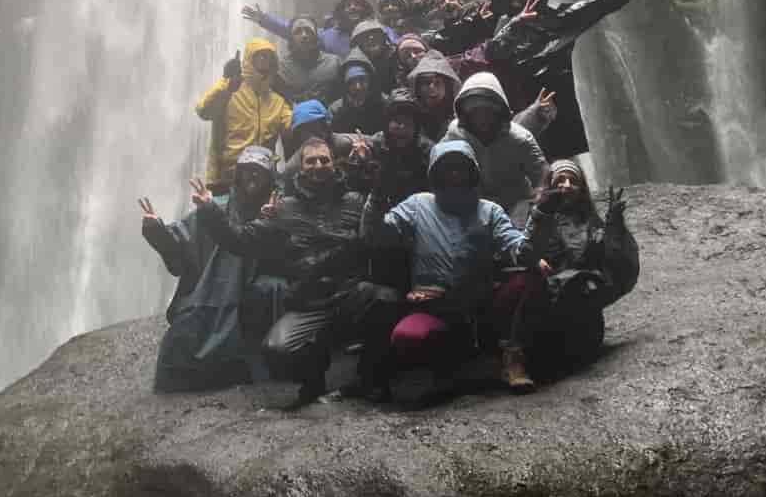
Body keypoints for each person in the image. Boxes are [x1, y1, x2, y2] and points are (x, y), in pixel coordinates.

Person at [191, 137, 400, 405]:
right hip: (309, 301)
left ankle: (370, 378)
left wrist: (372, 171)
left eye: (324, 159)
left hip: (350, 294)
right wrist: (210, 210)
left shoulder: (356, 201)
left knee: (385, 299)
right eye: (311, 161)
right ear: (301, 167)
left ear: (334, 163)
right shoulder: (283, 208)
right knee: (277, 348)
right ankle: (314, 379)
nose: (318, 166)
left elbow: (379, 227)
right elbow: (241, 240)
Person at [361, 140, 541, 394]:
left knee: (530, 277)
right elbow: (374, 235)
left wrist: (542, 214)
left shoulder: (489, 211)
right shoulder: (418, 205)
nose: (454, 175)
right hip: (434, 307)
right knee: (408, 337)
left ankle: (511, 355)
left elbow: (520, 251)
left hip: (481, 306)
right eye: (447, 169)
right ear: (435, 174)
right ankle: (451, 365)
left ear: (472, 172)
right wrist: (377, 194)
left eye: (460, 168)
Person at [141, 146, 286, 391]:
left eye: (259, 171)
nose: (252, 175)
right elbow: (180, 240)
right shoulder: (216, 205)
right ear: (238, 174)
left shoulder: (277, 208)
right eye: (247, 169)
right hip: (211, 291)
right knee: (179, 343)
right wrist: (157, 231)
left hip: (254, 293)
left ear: (269, 177)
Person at [483, 0, 636, 161]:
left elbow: (589, 9)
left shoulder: (556, 21)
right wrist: (516, 23)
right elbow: (491, 53)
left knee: (557, 162)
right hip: (518, 111)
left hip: (554, 111)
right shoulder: (507, 24)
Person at [523, 160, 639, 373]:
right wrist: (536, 258)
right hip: (546, 307)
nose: (566, 186)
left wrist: (614, 225)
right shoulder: (537, 216)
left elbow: (616, 265)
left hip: (583, 304)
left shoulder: (589, 220)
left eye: (573, 181)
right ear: (549, 185)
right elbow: (523, 249)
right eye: (560, 180)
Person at [444, 72, 550, 219]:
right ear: (465, 114)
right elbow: (439, 163)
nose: (482, 117)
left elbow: (542, 173)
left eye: (488, 111)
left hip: (515, 204)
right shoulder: (455, 133)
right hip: (474, 204)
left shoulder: (520, 138)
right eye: (475, 111)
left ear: (500, 112)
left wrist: (540, 195)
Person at [195, 38, 292, 192]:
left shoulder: (277, 101)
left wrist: (295, 101)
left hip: (264, 175)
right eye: (259, 55)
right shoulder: (231, 90)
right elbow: (204, 111)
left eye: (268, 56)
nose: (264, 59)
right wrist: (226, 83)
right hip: (227, 176)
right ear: (248, 58)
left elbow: (292, 126)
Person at [241, 0, 375, 59]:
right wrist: (264, 19)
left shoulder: (378, 32)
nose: (352, 7)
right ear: (341, 12)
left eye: (357, 4)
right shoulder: (329, 36)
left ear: (366, 9)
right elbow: (293, 30)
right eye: (348, 5)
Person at [274, 14, 342, 106]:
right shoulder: (281, 67)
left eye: (308, 31)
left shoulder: (334, 62)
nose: (304, 35)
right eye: (298, 31)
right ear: (291, 38)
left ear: (315, 36)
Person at [407, 52, 461, 146]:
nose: (432, 87)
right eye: (426, 82)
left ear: (447, 87)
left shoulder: (458, 118)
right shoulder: (410, 115)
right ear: (418, 87)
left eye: (437, 83)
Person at [329, 48, 385, 135]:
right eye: (352, 82)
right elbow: (332, 137)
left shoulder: (385, 104)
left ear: (370, 81)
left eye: (362, 80)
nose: (358, 87)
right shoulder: (336, 110)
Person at [350, 19, 398, 95]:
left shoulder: (397, 56)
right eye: (365, 36)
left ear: (384, 37)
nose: (371, 37)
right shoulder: (354, 64)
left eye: (375, 33)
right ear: (357, 43)